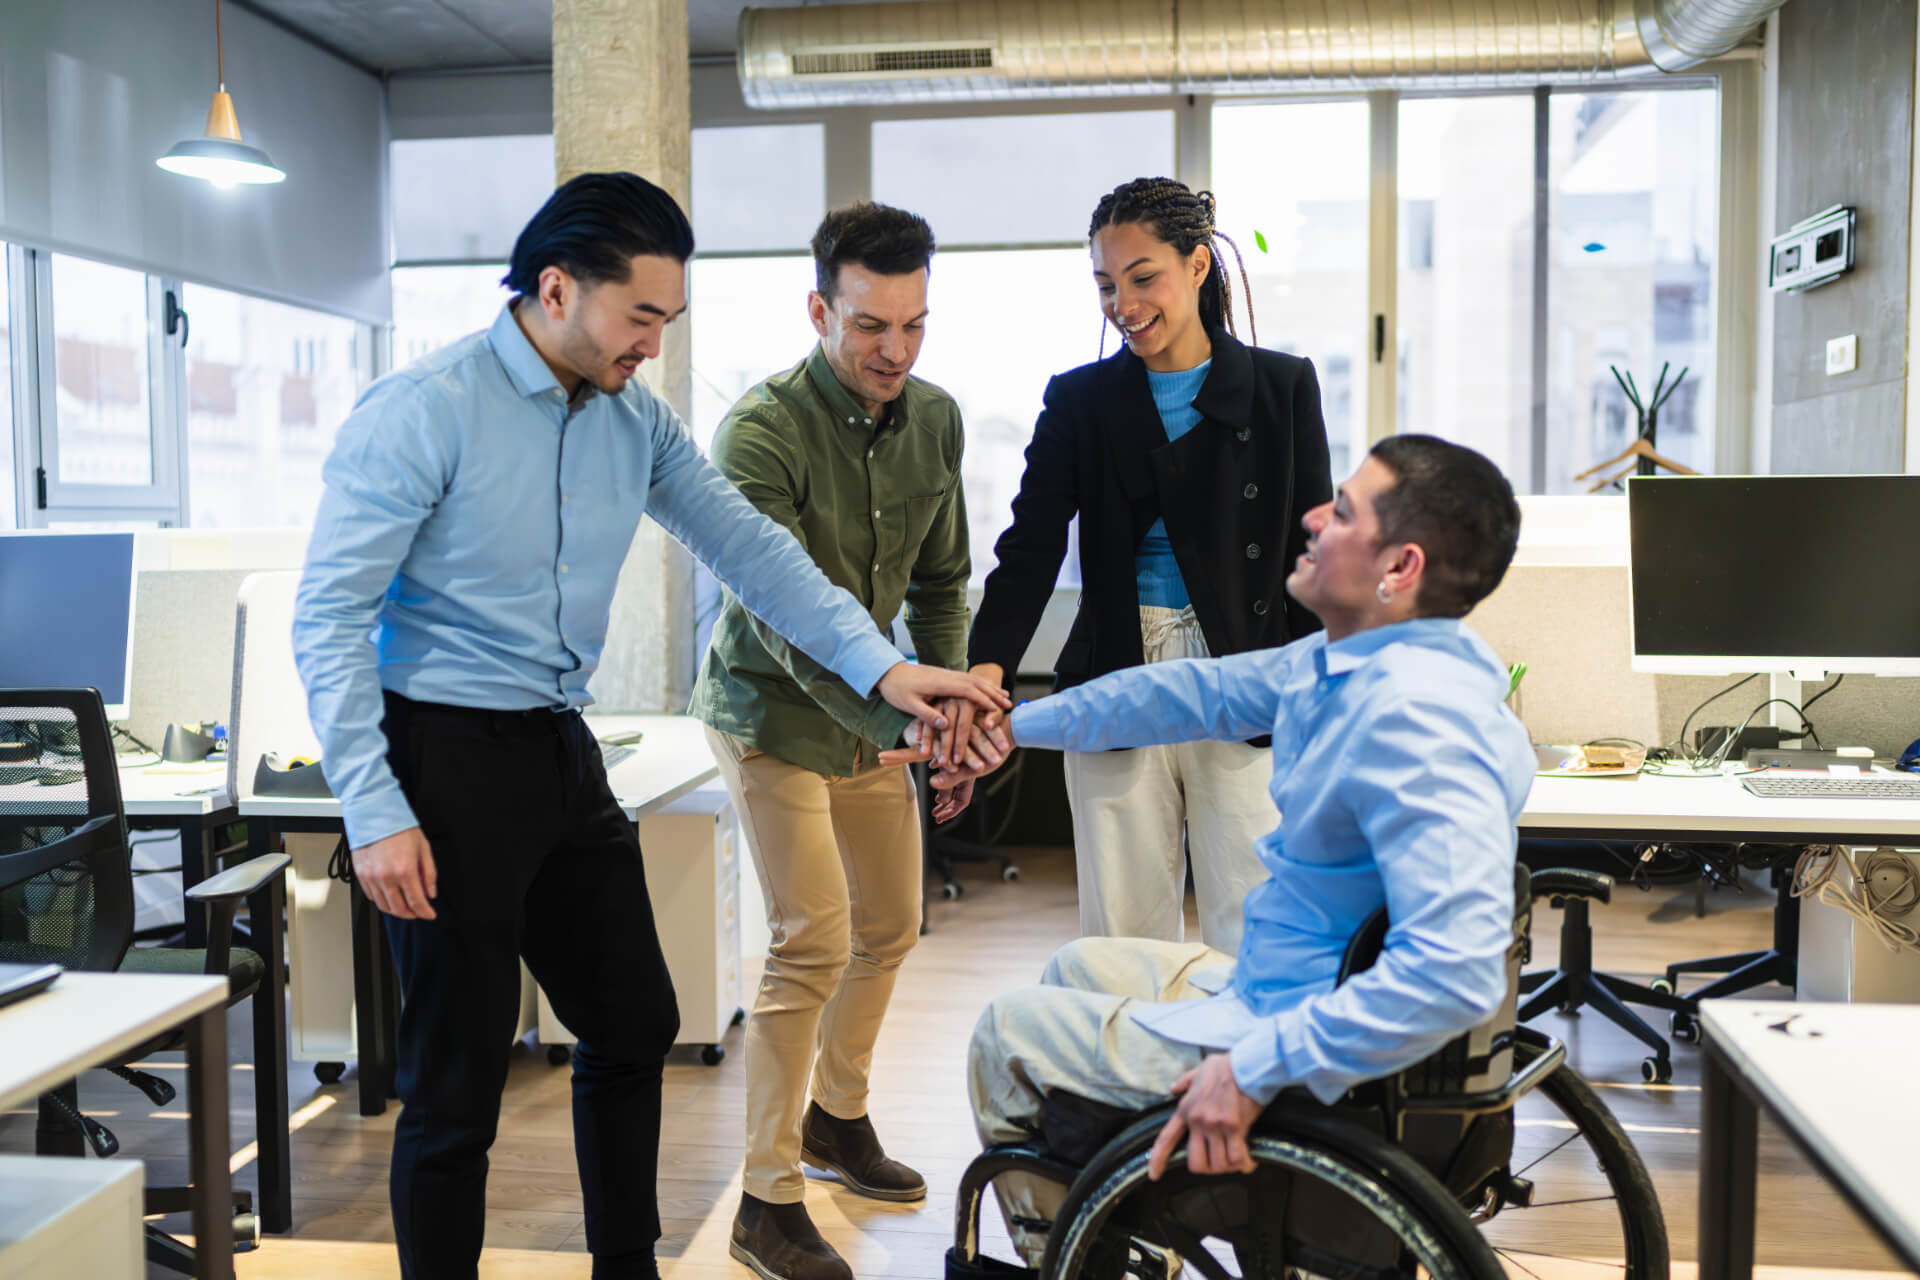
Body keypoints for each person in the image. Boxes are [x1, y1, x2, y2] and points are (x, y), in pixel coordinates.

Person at [292, 172, 1007, 1280]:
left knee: (632, 1019)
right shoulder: (426, 408)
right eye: (640, 319)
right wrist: (376, 809)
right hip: (438, 756)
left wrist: (888, 664)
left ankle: (625, 1262)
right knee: (457, 1080)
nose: (653, 347)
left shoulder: (639, 421)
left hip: (557, 745)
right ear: (556, 286)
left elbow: (760, 556)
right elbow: (329, 616)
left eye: (668, 323)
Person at [899, 435, 1531, 1268]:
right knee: (1080, 966)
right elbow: (1186, 693)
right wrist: (1011, 728)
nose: (1311, 517)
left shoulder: (1415, 721)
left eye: (1341, 511)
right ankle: (1117, 1227)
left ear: (1400, 566)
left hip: (1309, 1042)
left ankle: (1079, 1253)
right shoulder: (1358, 661)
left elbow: (1454, 972)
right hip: (1291, 977)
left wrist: (1254, 1068)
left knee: (1005, 1034)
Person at [687, 201, 999, 1280]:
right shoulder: (761, 431)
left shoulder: (938, 418)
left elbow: (945, 578)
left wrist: (948, 709)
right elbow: (776, 617)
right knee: (811, 938)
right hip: (769, 710)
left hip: (884, 710)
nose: (894, 351)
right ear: (820, 308)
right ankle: (764, 1201)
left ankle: (836, 1118)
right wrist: (899, 714)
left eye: (914, 325)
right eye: (871, 325)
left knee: (893, 923)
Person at [958, 176, 1333, 955]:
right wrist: (985, 673)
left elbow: (1310, 552)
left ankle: (1245, 1080)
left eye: (1142, 278)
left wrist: (1323, 690)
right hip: (1117, 670)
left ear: (1197, 267)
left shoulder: (1280, 387)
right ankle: (1130, 1079)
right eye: (1105, 284)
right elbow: (1030, 547)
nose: (1122, 305)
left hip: (1246, 673)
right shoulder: (1080, 400)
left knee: (1252, 923)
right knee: (1121, 935)